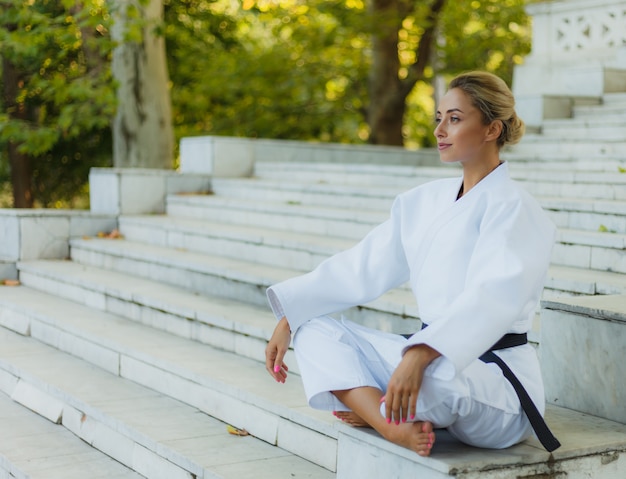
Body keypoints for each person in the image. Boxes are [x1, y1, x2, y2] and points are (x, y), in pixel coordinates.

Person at [264, 71, 559, 457]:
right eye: (438, 118)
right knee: (314, 330)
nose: (440, 129)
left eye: (454, 118)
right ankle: (389, 422)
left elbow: (493, 298)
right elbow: (361, 266)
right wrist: (291, 316)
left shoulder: (516, 208)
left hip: (496, 383)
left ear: (492, 129)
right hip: (425, 354)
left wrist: (421, 353)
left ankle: (371, 405)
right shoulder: (423, 202)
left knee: (435, 378)